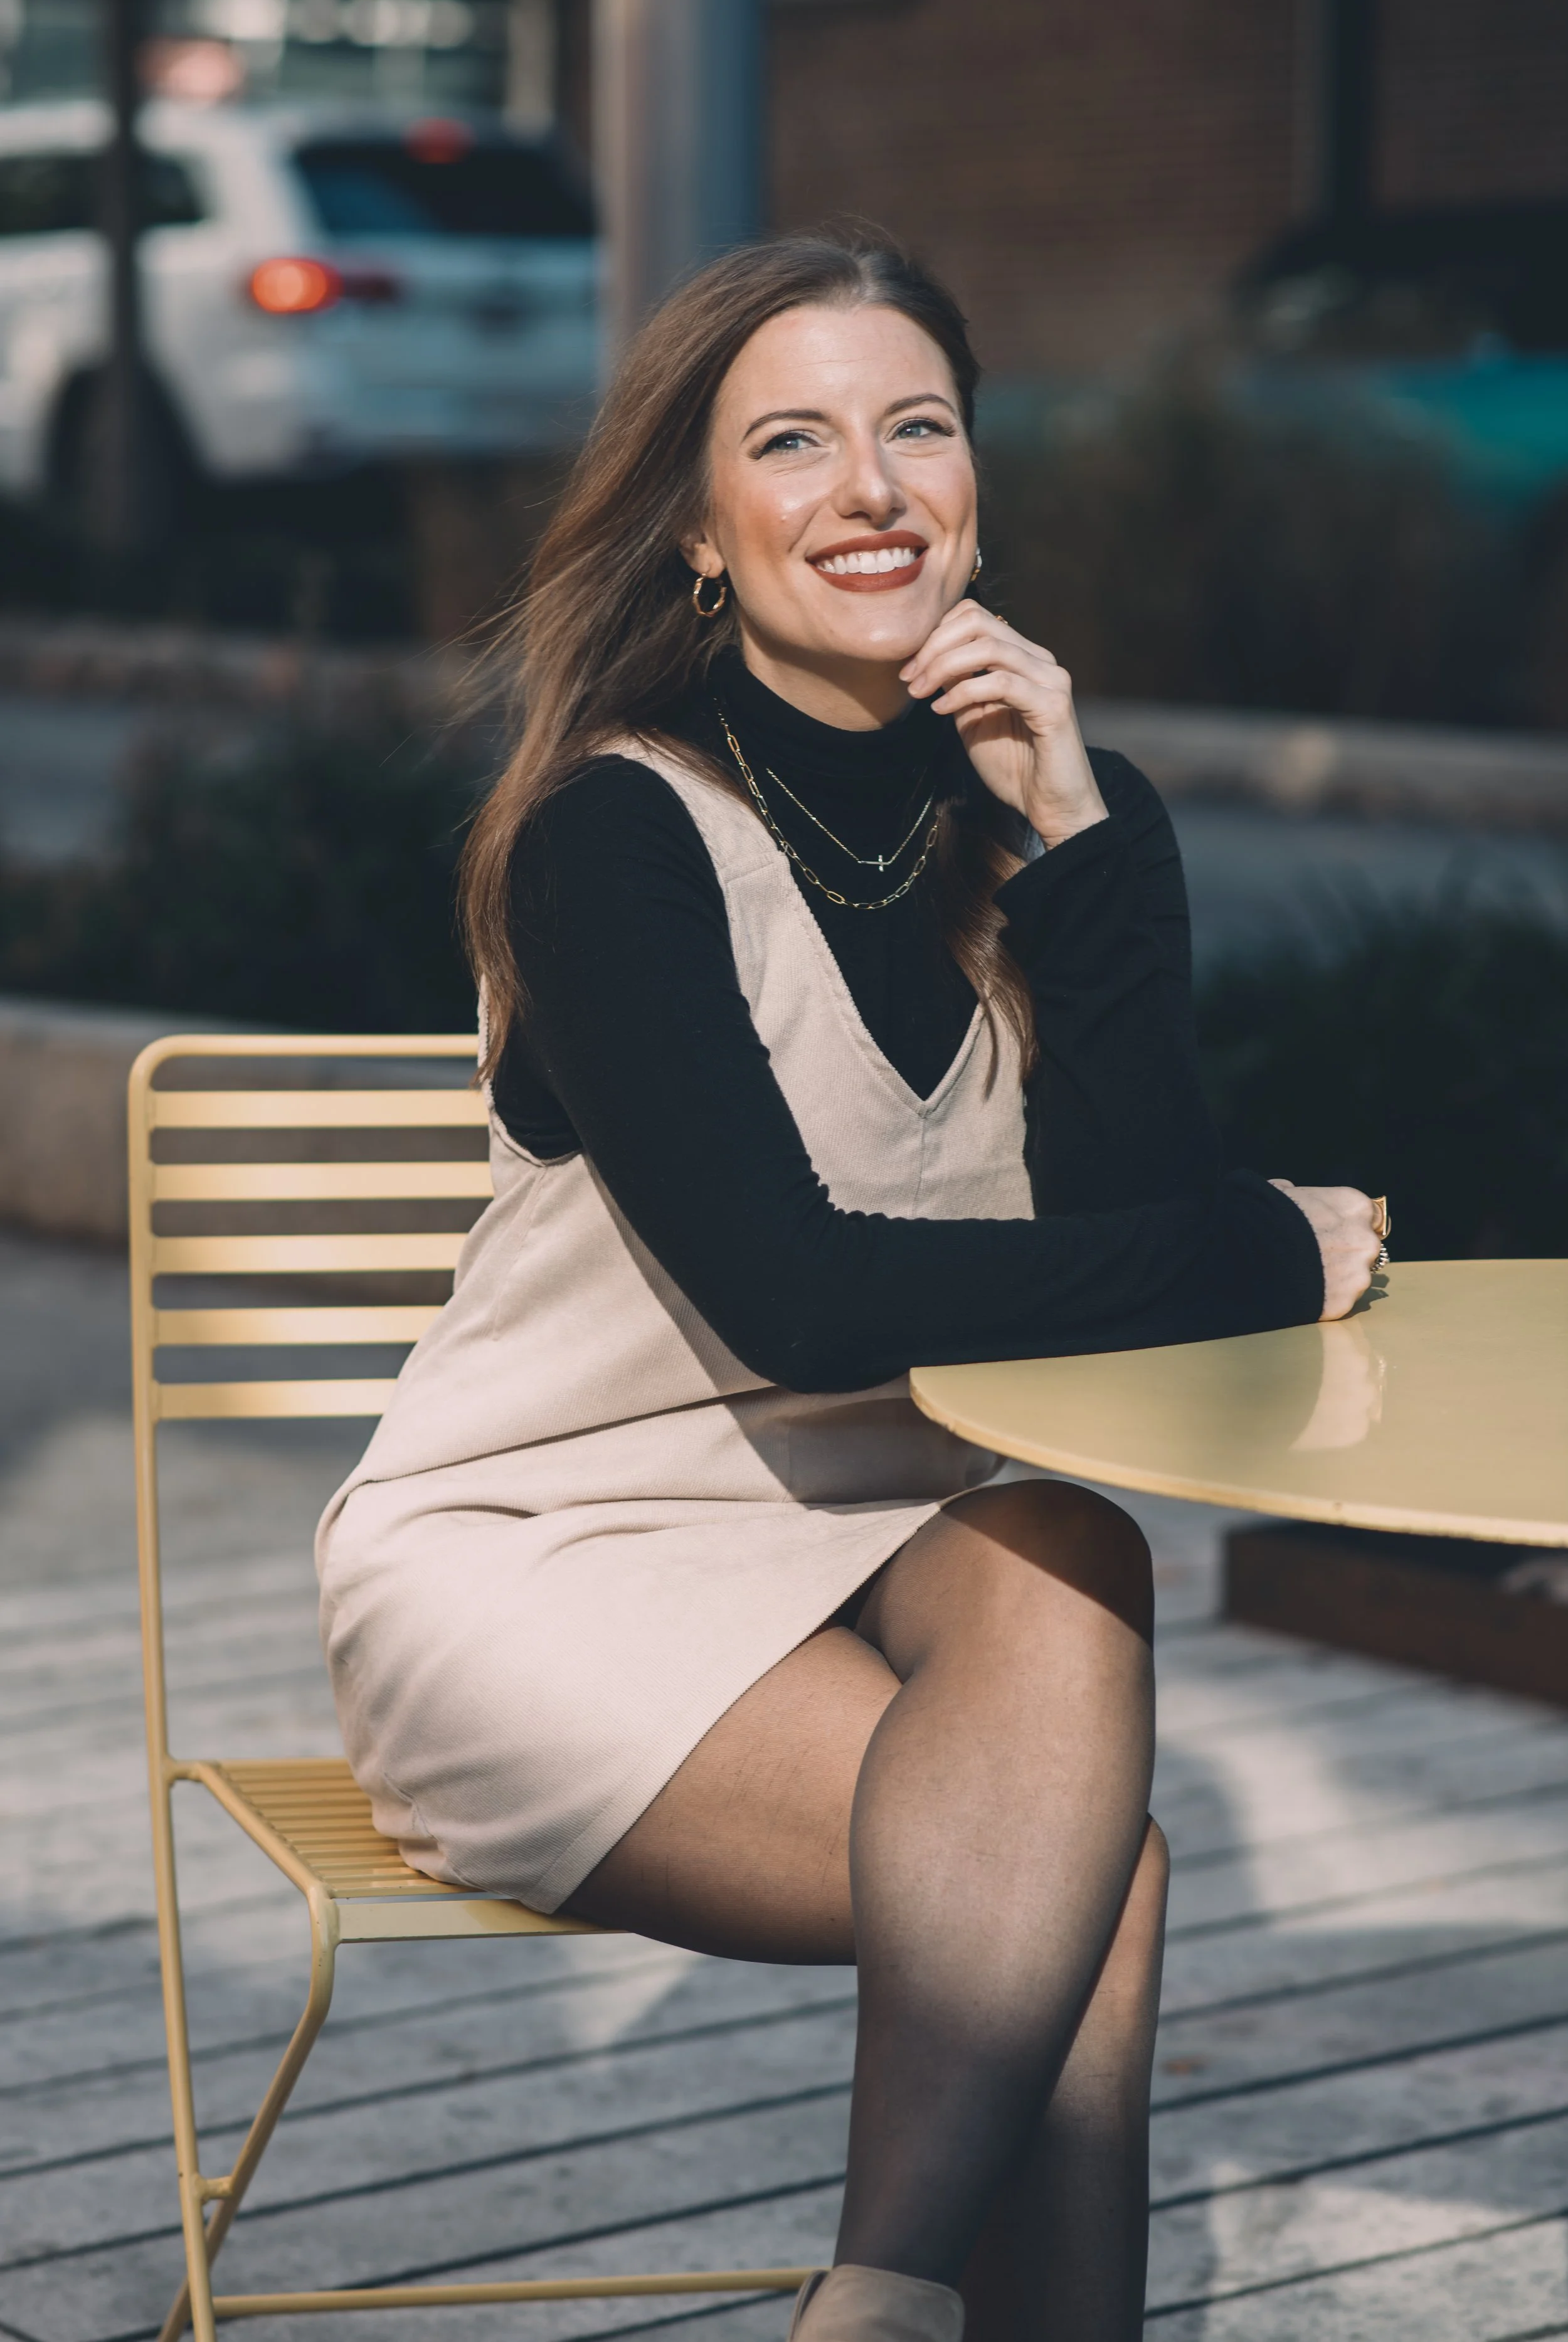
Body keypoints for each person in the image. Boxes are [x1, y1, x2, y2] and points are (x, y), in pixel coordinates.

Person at [316, 228, 1380, 2342]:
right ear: (699, 529)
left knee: (1068, 1537)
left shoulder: (1056, 818)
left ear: (975, 478)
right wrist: (1269, 1245)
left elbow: (1134, 1264)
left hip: (874, 1539)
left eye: (918, 427)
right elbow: (800, 1300)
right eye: (792, 443)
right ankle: (887, 2304)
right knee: (1097, 1889)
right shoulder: (612, 834)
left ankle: (866, 2311)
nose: (872, 487)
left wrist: (1073, 834)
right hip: (546, 1553)